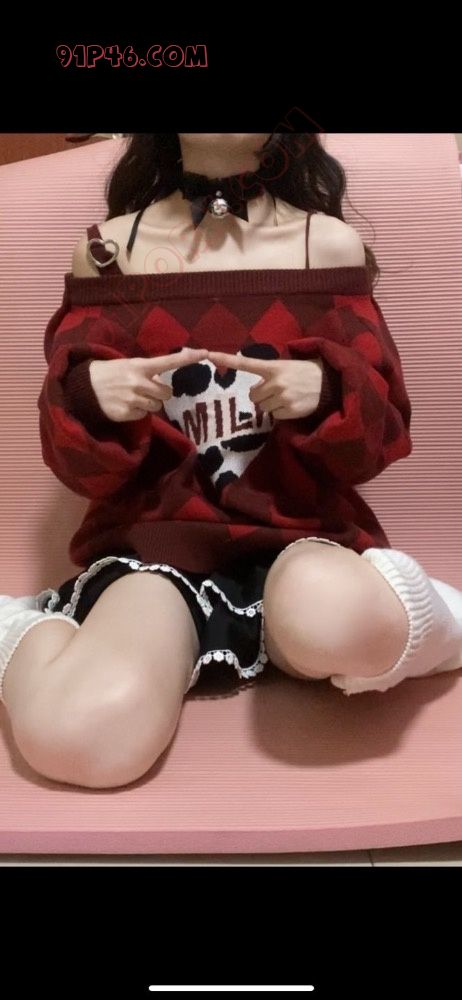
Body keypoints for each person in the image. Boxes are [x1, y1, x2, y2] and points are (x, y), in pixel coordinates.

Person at [1, 132, 461, 792]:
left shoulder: (325, 246)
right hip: (154, 556)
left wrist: (329, 390)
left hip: (305, 542)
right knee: (79, 737)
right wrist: (89, 396)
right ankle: (16, 629)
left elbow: (380, 437)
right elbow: (76, 465)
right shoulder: (108, 254)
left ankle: (438, 618)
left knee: (331, 614)